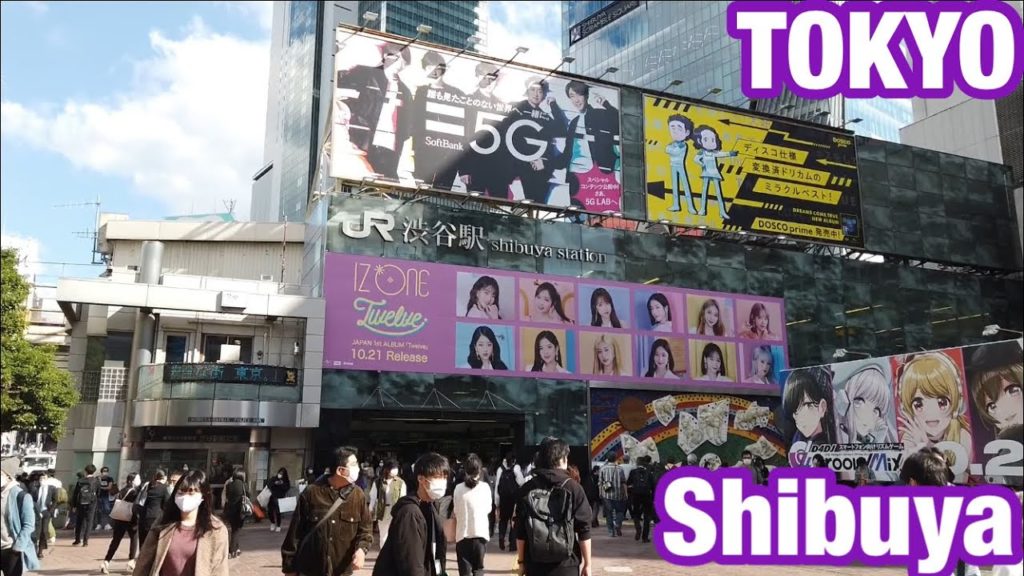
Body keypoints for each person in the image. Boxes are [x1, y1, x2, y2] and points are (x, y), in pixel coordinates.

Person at [281, 446, 372, 576]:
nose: (357, 468)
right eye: (353, 464)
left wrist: (362, 550)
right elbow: (295, 533)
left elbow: (365, 530)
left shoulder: (358, 496)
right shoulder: (311, 493)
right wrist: (289, 568)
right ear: (341, 470)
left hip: (341, 571)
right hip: (311, 570)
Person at [514, 437, 593, 576]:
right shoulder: (574, 488)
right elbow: (584, 529)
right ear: (562, 459)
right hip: (567, 564)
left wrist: (521, 562)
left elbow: (520, 531)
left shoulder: (526, 489)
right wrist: (588, 564)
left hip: (535, 564)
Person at [336, 41, 414, 179]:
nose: (398, 66)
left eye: (403, 63)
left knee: (388, 187)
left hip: (390, 149)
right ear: (385, 56)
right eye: (396, 59)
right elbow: (336, 80)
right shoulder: (366, 73)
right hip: (361, 143)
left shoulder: (405, 91)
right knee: (360, 183)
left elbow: (408, 127)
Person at [132, 469, 229, 576]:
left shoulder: (215, 529)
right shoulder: (164, 521)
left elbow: (220, 569)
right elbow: (144, 559)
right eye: (181, 491)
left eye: (192, 491)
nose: (185, 496)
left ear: (203, 495)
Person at [372, 452, 451, 576]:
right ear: (421, 479)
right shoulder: (409, 513)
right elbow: (411, 564)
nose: (442, 482)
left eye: (445, 477)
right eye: (437, 476)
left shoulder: (429, 506)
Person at [897, 352, 974, 468]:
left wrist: (926, 446)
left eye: (942, 402)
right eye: (918, 404)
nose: (931, 412)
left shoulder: (962, 436)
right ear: (907, 409)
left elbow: (957, 478)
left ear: (957, 403)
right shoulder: (909, 438)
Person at [506, 77, 567, 204]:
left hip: (538, 167)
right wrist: (530, 157)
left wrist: (553, 106)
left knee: (537, 202)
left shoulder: (544, 116)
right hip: (516, 164)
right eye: (533, 90)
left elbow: (561, 130)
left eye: (540, 91)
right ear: (527, 91)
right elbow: (510, 136)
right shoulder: (517, 109)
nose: (536, 94)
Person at [412, 50, 466, 190]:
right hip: (424, 149)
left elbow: (464, 126)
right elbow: (415, 121)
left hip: (449, 151)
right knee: (421, 191)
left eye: (437, 68)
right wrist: (415, 147)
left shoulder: (457, 94)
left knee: (443, 192)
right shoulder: (421, 92)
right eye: (429, 68)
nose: (434, 72)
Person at [453, 454, 490, 576]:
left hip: (463, 534)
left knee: (464, 572)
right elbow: (488, 509)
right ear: (479, 471)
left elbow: (456, 511)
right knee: (478, 569)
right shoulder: (485, 488)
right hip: (480, 534)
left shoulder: (458, 488)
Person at [783, 366, 839, 449]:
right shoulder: (798, 439)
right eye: (795, 411)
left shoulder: (829, 440)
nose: (800, 417)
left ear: (822, 407)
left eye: (808, 405)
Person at [691, 124, 739, 219]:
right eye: (706, 140)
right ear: (700, 141)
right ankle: (702, 209)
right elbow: (695, 159)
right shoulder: (702, 152)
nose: (710, 143)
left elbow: (722, 154)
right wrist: (702, 164)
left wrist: (730, 154)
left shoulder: (714, 153)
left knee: (718, 193)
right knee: (704, 191)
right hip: (706, 173)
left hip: (715, 173)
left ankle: (722, 212)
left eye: (713, 140)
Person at [1, 469, 40, 576]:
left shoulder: (21, 496)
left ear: (8, 476)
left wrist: (18, 547)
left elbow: (28, 525)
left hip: (10, 549)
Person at [101, 473, 141, 574]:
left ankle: (106, 561)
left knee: (115, 541)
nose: (139, 480)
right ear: (132, 481)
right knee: (134, 539)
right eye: (137, 478)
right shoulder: (134, 491)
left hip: (119, 518)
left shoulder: (122, 490)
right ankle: (131, 561)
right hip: (130, 518)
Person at [369, 459, 406, 550]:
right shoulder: (378, 482)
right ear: (387, 469)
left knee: (396, 534)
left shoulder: (400, 482)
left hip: (395, 511)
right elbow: (373, 497)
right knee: (383, 534)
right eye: (393, 468)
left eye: (396, 468)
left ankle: (394, 555)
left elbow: (403, 498)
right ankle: (383, 555)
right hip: (382, 511)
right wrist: (370, 509)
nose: (395, 470)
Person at [665, 114, 697, 214]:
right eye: (672, 127)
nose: (675, 131)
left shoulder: (683, 145)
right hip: (672, 166)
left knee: (685, 186)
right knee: (675, 186)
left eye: (679, 128)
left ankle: (691, 207)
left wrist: (671, 150)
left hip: (680, 166)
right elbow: (667, 149)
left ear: (687, 132)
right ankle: (676, 204)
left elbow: (673, 152)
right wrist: (671, 149)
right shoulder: (672, 144)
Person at [494, 453, 525, 552]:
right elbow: (521, 482)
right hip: (514, 499)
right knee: (513, 521)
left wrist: (496, 502)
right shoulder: (516, 468)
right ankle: (512, 544)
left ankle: (501, 539)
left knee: (503, 520)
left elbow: (497, 486)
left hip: (503, 500)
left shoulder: (500, 469)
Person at [136, 469, 171, 550]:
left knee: (143, 540)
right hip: (156, 516)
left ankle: (141, 557)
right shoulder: (164, 488)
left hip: (143, 516)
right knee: (154, 541)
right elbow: (167, 503)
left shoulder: (146, 486)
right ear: (163, 477)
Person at [626, 456, 655, 543]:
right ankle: (645, 537)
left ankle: (638, 527)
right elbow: (653, 486)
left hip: (636, 495)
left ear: (637, 463)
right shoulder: (649, 472)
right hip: (647, 495)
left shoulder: (633, 472)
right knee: (647, 516)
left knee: (636, 514)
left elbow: (628, 483)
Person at [71, 463, 100, 546]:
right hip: (92, 503)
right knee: (89, 521)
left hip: (81, 503)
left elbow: (75, 494)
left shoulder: (80, 481)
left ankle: (77, 539)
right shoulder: (96, 481)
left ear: (85, 471)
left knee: (79, 521)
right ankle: (85, 541)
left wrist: (74, 505)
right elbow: (98, 492)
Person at [597, 458, 627, 538]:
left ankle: (611, 531)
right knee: (620, 511)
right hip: (618, 494)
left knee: (608, 513)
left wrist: (600, 493)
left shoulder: (602, 468)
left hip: (606, 494)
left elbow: (600, 482)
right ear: (615, 459)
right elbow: (623, 482)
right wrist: (625, 493)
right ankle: (617, 524)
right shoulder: (620, 469)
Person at [29, 470, 54, 558]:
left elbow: (55, 501)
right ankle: (34, 549)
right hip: (36, 512)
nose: (42, 480)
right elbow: (31, 499)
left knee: (44, 531)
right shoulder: (35, 487)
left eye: (44, 478)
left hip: (46, 511)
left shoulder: (51, 488)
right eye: (41, 478)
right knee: (36, 532)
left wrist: (50, 511)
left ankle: (40, 551)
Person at [222, 469, 246, 559]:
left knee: (234, 529)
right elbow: (248, 495)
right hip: (240, 511)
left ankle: (236, 548)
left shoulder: (229, 485)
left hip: (230, 511)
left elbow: (227, 496)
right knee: (236, 531)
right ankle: (232, 550)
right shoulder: (243, 485)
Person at [266, 467, 290, 533]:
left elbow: (287, 488)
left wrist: (281, 484)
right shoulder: (274, 479)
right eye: (279, 473)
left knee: (278, 512)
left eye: (282, 474)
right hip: (272, 497)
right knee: (270, 511)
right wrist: (275, 483)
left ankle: (278, 525)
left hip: (280, 498)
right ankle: (273, 522)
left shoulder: (285, 481)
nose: (280, 475)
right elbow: (269, 485)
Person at [96, 466, 115, 531]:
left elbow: (109, 487)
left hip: (106, 497)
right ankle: (99, 524)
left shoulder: (110, 479)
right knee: (99, 510)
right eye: (104, 471)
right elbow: (96, 486)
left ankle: (107, 524)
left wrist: (101, 488)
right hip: (98, 496)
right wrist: (99, 480)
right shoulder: (98, 478)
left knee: (107, 509)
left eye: (106, 471)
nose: (105, 472)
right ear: (101, 472)